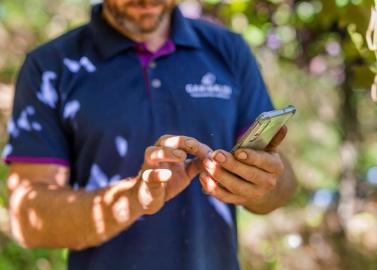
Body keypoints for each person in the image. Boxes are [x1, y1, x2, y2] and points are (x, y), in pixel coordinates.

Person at [4, 0, 297, 269]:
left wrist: (264, 183)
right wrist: (133, 198)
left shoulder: (228, 50)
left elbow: (280, 185)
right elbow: (28, 219)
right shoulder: (50, 67)